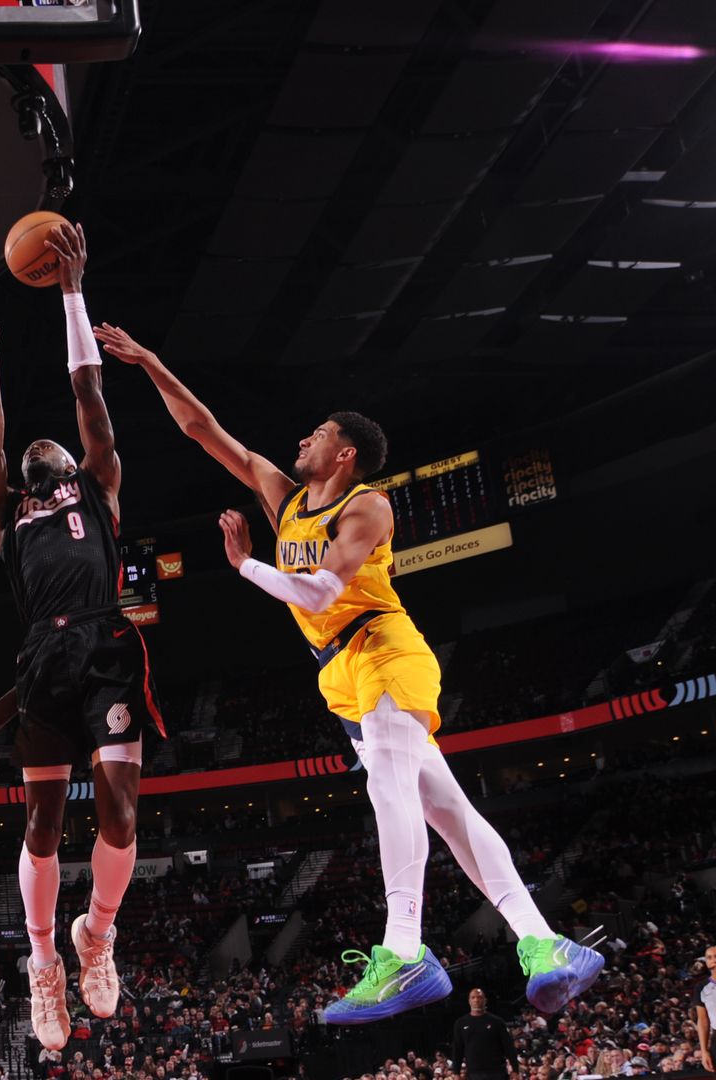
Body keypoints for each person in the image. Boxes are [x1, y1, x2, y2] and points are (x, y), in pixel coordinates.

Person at [95, 322, 604, 1023]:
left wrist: (247, 567)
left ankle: (403, 951)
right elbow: (203, 429)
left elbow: (321, 592)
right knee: (449, 814)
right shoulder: (283, 498)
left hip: (385, 647)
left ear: (345, 453)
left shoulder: (367, 506)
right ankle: (546, 944)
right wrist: (151, 361)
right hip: (337, 673)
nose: (299, 442)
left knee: (389, 786)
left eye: (314, 435)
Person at [0, 224, 164, 1048]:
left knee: (118, 816)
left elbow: (89, 392)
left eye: (56, 445)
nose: (44, 444)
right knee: (43, 825)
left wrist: (73, 294)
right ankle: (44, 961)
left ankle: (98, 933)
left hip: (109, 645)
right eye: (33, 448)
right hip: (43, 657)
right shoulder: (9, 514)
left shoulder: (102, 485)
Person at [448, 989, 514, 1080]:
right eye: (473, 997)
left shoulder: (497, 1022)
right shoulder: (460, 1023)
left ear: (485, 1000)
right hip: (474, 1073)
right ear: (469, 1001)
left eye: (479, 997)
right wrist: (456, 1072)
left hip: (497, 1072)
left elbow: (509, 1047)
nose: (476, 1000)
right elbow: (457, 1050)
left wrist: (515, 1070)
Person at [696, 943, 715, 1073]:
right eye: (709, 957)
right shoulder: (701, 987)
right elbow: (703, 1021)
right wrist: (704, 1051)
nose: (714, 959)